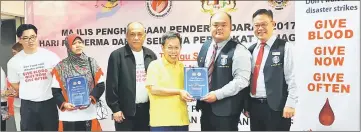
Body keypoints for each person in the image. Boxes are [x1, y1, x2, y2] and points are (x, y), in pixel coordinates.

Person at [196, 11, 252, 131]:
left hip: (227, 112)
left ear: (231, 27)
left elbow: (242, 80)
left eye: (224, 25)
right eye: (215, 25)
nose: (219, 28)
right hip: (205, 109)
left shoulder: (239, 50)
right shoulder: (206, 46)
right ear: (209, 26)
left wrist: (217, 95)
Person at [244, 9, 297, 131]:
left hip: (277, 108)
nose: (260, 28)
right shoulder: (251, 50)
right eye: (257, 25)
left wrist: (291, 104)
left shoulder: (285, 47)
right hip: (255, 107)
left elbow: (292, 77)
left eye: (264, 24)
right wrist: (246, 105)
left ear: (273, 24)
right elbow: (248, 80)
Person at [7, 24, 60, 131]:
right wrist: (29, 90)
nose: (30, 41)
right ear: (20, 40)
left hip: (48, 102)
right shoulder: (14, 62)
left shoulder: (51, 56)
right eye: (26, 38)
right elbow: (14, 83)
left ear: (36, 36)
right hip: (28, 105)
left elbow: (60, 78)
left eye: (33, 37)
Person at [106, 22, 157, 131]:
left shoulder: (151, 55)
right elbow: (111, 85)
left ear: (144, 36)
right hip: (124, 113)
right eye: (132, 34)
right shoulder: (117, 56)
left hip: (147, 111)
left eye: (139, 34)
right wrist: (115, 109)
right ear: (126, 36)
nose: (136, 38)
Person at [52, 34, 104, 131]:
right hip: (69, 115)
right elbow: (55, 91)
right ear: (68, 46)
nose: (78, 45)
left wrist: (90, 98)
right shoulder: (61, 66)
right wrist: (64, 104)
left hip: (88, 113)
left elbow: (100, 85)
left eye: (80, 42)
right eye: (74, 43)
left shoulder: (91, 63)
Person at [145, 31, 193, 131]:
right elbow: (154, 89)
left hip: (181, 121)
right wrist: (179, 91)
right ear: (162, 48)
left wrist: (195, 92)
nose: (173, 51)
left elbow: (188, 89)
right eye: (170, 47)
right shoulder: (155, 65)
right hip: (161, 122)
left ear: (180, 48)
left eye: (176, 47)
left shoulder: (182, 67)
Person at [10, 42, 23, 131]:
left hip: (29, 104)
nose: (13, 56)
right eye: (13, 53)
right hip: (17, 104)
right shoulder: (12, 66)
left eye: (15, 53)